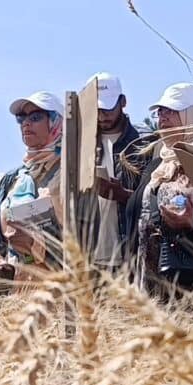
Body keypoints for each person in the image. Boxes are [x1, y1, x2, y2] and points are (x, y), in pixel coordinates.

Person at [124, 83, 193, 294]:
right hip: (149, 281)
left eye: (173, 111)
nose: (163, 118)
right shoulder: (158, 164)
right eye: (161, 112)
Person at [0, 91, 64, 293]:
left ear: (56, 122)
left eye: (36, 117)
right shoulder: (11, 180)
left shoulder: (72, 176)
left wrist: (37, 246)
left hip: (59, 298)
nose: (26, 124)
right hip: (13, 300)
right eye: (21, 118)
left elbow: (88, 244)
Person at [86, 72, 151, 272]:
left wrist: (123, 196)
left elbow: (155, 198)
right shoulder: (79, 144)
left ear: (123, 102)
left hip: (132, 252)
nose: (101, 116)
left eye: (107, 109)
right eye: (95, 110)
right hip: (91, 255)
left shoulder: (144, 141)